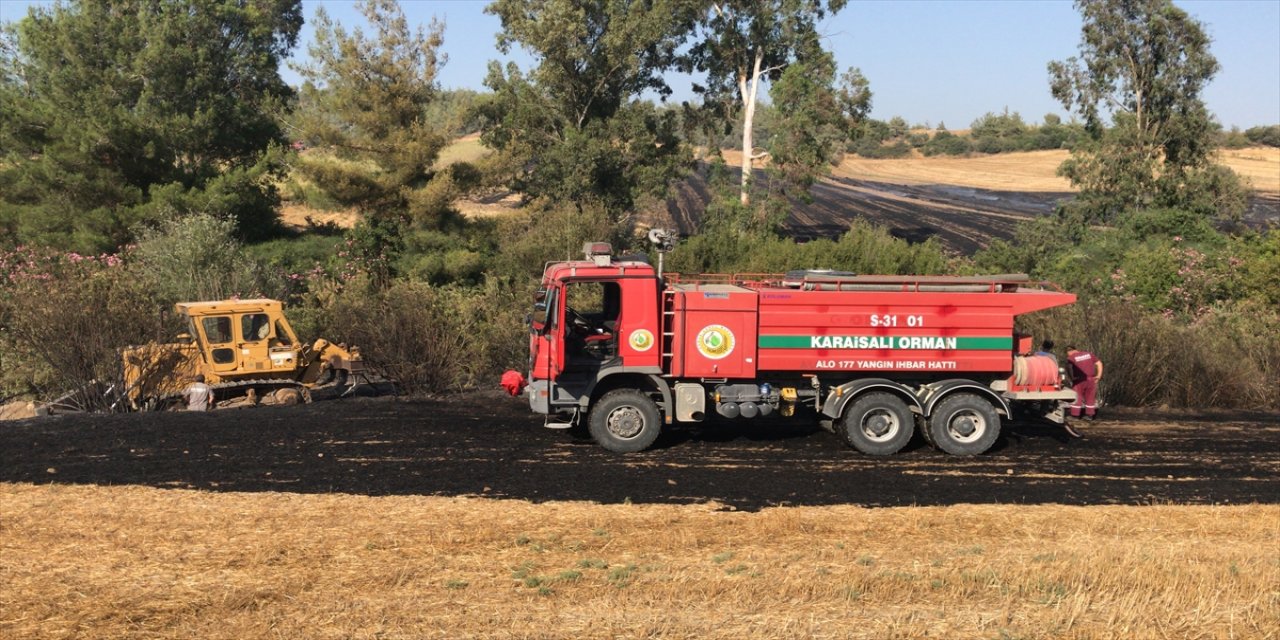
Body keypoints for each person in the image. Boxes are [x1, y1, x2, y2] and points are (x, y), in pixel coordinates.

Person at [1065, 345, 1103, 423]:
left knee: (1077, 396)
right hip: (1091, 379)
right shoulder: (1089, 354)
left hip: (1079, 380)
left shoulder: (1071, 358)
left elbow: (1069, 368)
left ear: (1069, 351)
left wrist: (1072, 378)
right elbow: (1099, 364)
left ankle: (1075, 415)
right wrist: (1098, 376)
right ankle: (1089, 415)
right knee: (1090, 397)